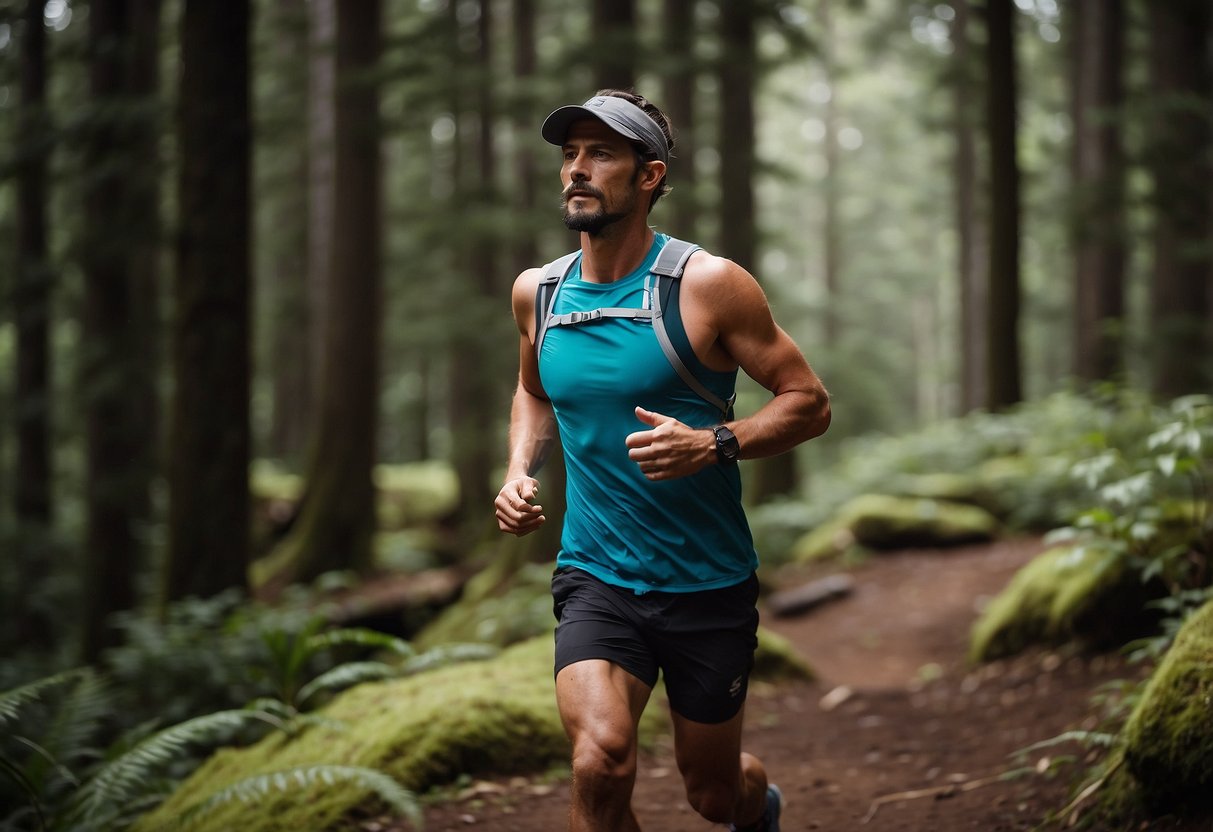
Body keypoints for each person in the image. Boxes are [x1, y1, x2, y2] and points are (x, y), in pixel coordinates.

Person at [494, 89, 831, 832]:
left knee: (712, 796)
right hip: (596, 574)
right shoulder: (538, 294)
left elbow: (808, 401)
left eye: (601, 154)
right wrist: (519, 469)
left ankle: (758, 806)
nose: (577, 171)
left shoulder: (707, 285)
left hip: (705, 582)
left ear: (648, 176)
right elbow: (533, 393)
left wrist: (714, 442)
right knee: (599, 760)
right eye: (569, 155)